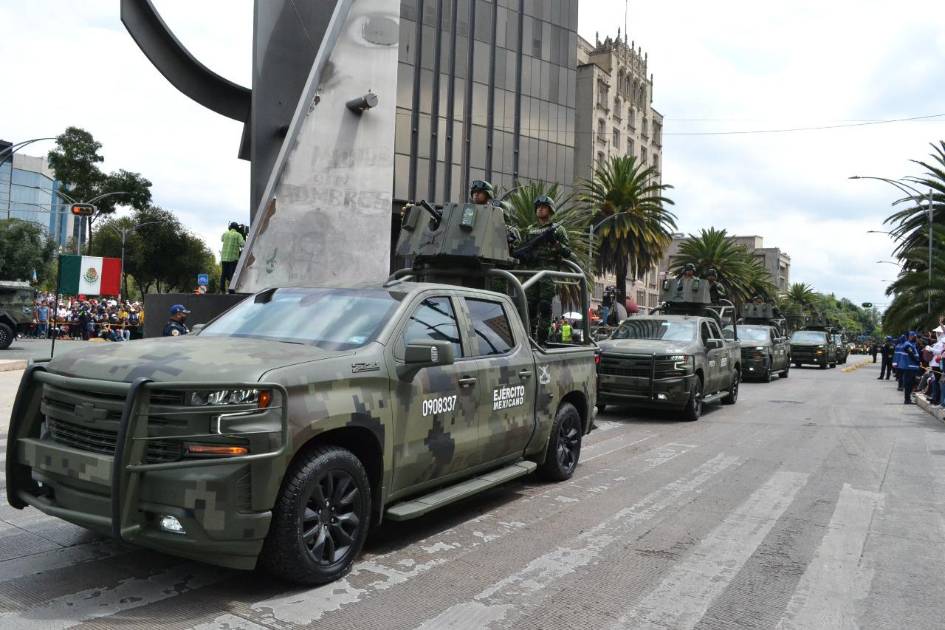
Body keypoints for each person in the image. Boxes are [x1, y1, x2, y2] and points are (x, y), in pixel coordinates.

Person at [517, 195, 571, 342]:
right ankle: (528, 338)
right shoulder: (530, 230)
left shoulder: (558, 229)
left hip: (548, 272)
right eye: (538, 207)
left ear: (550, 210)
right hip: (531, 271)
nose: (540, 209)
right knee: (529, 307)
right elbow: (522, 248)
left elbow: (567, 252)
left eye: (544, 207)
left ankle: (542, 340)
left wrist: (554, 242)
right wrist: (526, 256)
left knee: (545, 306)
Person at [220, 222, 246, 294]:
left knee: (223, 274)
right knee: (232, 274)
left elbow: (222, 239)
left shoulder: (225, 234)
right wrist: (243, 235)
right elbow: (243, 244)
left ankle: (222, 289)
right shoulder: (238, 235)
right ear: (237, 228)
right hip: (233, 258)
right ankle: (231, 290)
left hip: (224, 258)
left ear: (230, 227)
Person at [900, 331, 921, 404]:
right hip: (909, 367)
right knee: (908, 383)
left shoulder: (912, 344)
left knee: (912, 383)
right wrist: (917, 361)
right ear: (910, 337)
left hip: (912, 367)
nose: (916, 338)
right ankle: (907, 399)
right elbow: (911, 354)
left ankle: (908, 399)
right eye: (915, 337)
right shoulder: (907, 344)